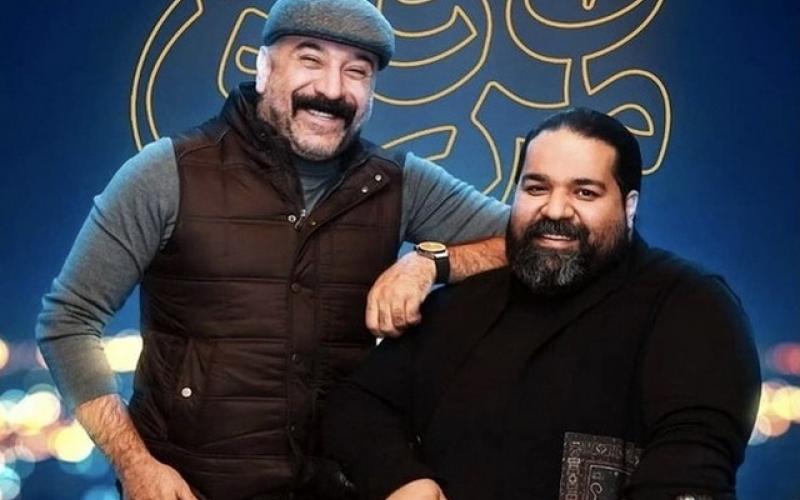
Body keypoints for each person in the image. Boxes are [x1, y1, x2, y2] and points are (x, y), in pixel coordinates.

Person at [35, 1, 510, 498]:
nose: (332, 89)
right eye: (310, 60)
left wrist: (431, 262)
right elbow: (69, 320)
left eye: (356, 71)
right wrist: (135, 465)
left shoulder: (399, 183)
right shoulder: (167, 172)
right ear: (263, 68)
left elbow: (529, 240)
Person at [322, 108, 762, 500]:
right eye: (537, 187)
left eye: (584, 192)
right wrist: (400, 478)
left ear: (629, 206)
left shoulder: (692, 307)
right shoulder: (461, 305)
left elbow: (691, 468)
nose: (555, 210)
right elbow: (357, 406)